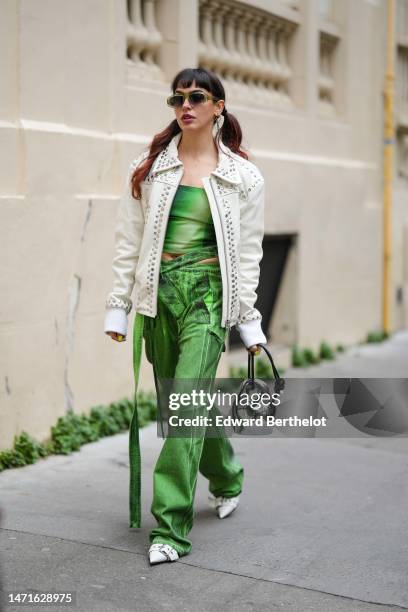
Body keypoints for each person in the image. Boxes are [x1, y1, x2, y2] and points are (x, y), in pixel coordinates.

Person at [104, 67, 267, 565]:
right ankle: (227, 476)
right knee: (185, 403)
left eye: (196, 97)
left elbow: (249, 253)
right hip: (160, 300)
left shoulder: (243, 176)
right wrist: (118, 306)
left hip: (209, 301)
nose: (185, 106)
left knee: (184, 407)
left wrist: (248, 319)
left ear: (219, 105)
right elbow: (129, 241)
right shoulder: (150, 167)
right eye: (176, 98)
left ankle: (170, 529)